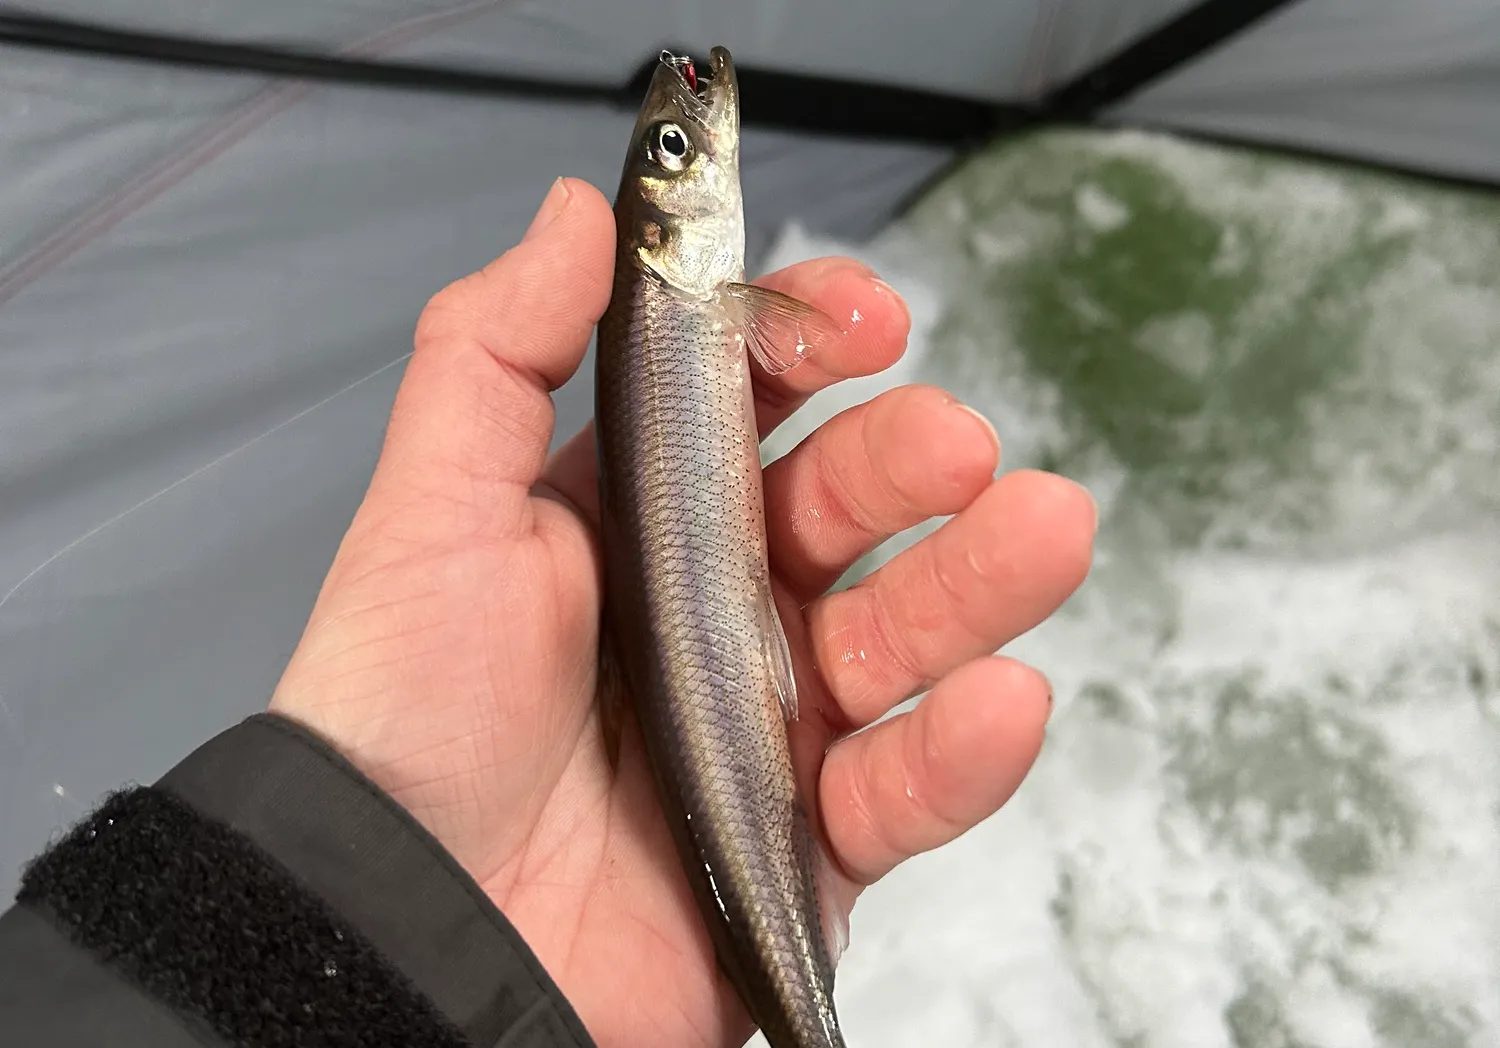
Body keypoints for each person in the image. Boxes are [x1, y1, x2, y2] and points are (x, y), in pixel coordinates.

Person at [0, 178, 1095, 1047]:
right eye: (677, 156)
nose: (693, 135)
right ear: (666, 233)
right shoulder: (691, 296)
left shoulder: (682, 300)